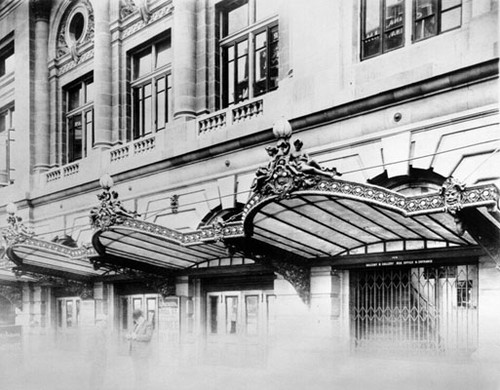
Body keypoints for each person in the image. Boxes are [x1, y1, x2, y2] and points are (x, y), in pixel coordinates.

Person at [126, 309, 154, 389]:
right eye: (135, 319)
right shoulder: (136, 325)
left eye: (137, 319)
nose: (136, 321)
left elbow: (148, 337)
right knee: (137, 372)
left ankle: (144, 387)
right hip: (135, 353)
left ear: (141, 317)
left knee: (143, 372)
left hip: (142, 353)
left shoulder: (148, 324)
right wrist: (130, 336)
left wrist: (136, 337)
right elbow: (133, 334)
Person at [88, 314, 108, 390]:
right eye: (105, 321)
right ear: (101, 321)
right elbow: (101, 345)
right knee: (98, 374)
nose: (106, 323)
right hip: (99, 357)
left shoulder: (96, 329)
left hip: (96, 356)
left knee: (94, 374)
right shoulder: (99, 330)